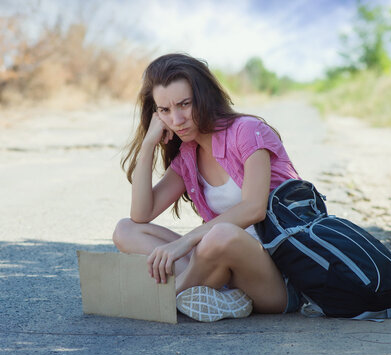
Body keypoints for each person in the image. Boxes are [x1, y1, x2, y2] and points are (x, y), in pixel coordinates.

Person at [112, 53, 302, 322]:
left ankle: (169, 298)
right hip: (216, 266)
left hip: (274, 278)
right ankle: (218, 297)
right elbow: (142, 215)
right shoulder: (188, 156)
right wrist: (147, 145)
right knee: (125, 230)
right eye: (165, 110)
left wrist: (185, 241)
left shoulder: (247, 132)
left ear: (203, 97)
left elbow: (254, 208)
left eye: (184, 104)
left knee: (220, 235)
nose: (176, 120)